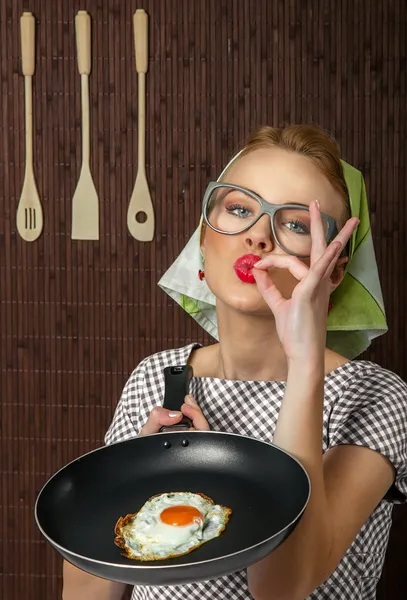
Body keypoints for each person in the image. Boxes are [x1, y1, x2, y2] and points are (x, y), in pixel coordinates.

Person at [62, 124, 407, 600]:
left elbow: (281, 587)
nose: (258, 237)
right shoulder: (157, 379)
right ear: (204, 238)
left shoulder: (374, 396)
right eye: (240, 209)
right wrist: (127, 481)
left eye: (295, 224)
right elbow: (86, 594)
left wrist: (303, 363)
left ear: (334, 269)